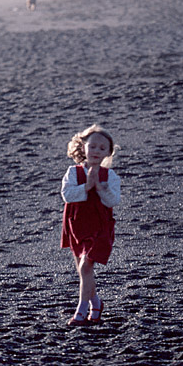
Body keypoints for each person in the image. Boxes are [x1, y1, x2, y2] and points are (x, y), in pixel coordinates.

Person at [61, 124, 121, 326]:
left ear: (108, 153)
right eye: (93, 146)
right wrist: (86, 187)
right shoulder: (72, 172)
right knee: (83, 270)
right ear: (83, 147)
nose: (97, 151)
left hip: (100, 226)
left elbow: (113, 201)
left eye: (102, 148)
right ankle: (96, 304)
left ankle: (81, 311)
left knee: (87, 266)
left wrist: (100, 188)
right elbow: (67, 195)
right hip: (76, 224)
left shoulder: (110, 176)